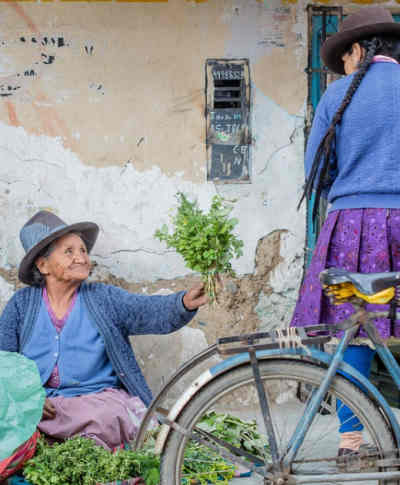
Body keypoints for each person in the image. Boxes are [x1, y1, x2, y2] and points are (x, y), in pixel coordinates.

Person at [0, 210, 208, 451]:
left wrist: (183, 303)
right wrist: (28, 397)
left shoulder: (103, 298)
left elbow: (147, 311)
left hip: (97, 401)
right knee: (13, 422)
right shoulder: (22, 304)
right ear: (43, 265)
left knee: (105, 417)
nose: (81, 258)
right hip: (41, 406)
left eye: (83, 251)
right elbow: (3, 360)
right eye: (69, 251)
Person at [291, 6, 400, 457]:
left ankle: (351, 439)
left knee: (351, 329)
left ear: (357, 50)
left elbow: (317, 175)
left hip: (352, 227)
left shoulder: (336, 99)